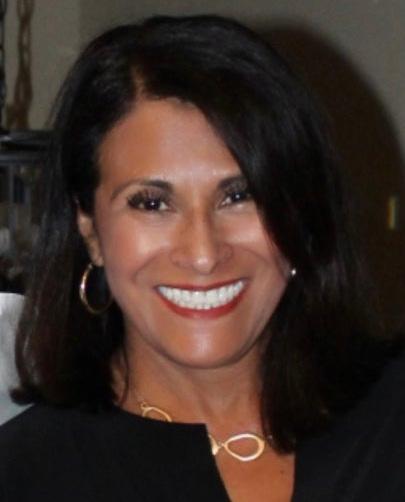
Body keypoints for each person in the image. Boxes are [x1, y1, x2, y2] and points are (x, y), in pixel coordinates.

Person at [0, 14, 401, 502]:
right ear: (90, 229)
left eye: (239, 196)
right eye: (152, 203)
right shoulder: (24, 475)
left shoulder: (390, 419)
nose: (203, 254)